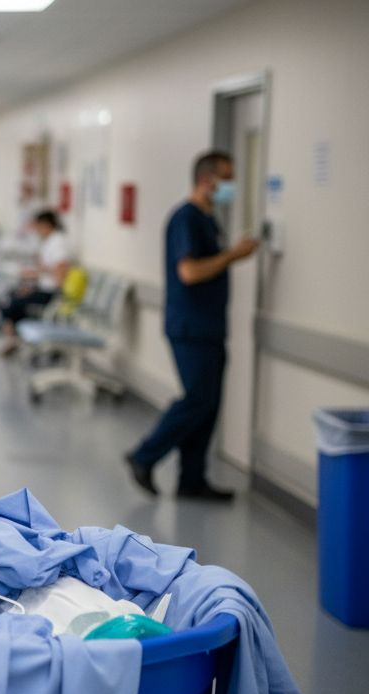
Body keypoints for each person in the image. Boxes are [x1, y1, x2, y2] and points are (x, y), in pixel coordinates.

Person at [126, 150, 258, 501]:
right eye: (226, 178)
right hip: (190, 327)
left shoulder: (209, 220)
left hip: (210, 327)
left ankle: (192, 479)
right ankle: (144, 455)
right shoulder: (185, 219)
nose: (230, 185)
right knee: (197, 399)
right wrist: (234, 255)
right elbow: (189, 272)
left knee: (209, 405)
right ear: (206, 179)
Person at [0, 209, 70, 356]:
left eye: (37, 227)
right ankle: (14, 340)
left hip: (51, 293)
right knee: (9, 297)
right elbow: (46, 270)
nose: (36, 231)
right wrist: (33, 281)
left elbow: (59, 275)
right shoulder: (49, 242)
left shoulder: (57, 243)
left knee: (11, 303)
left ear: (46, 225)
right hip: (42, 288)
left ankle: (13, 341)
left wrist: (37, 276)